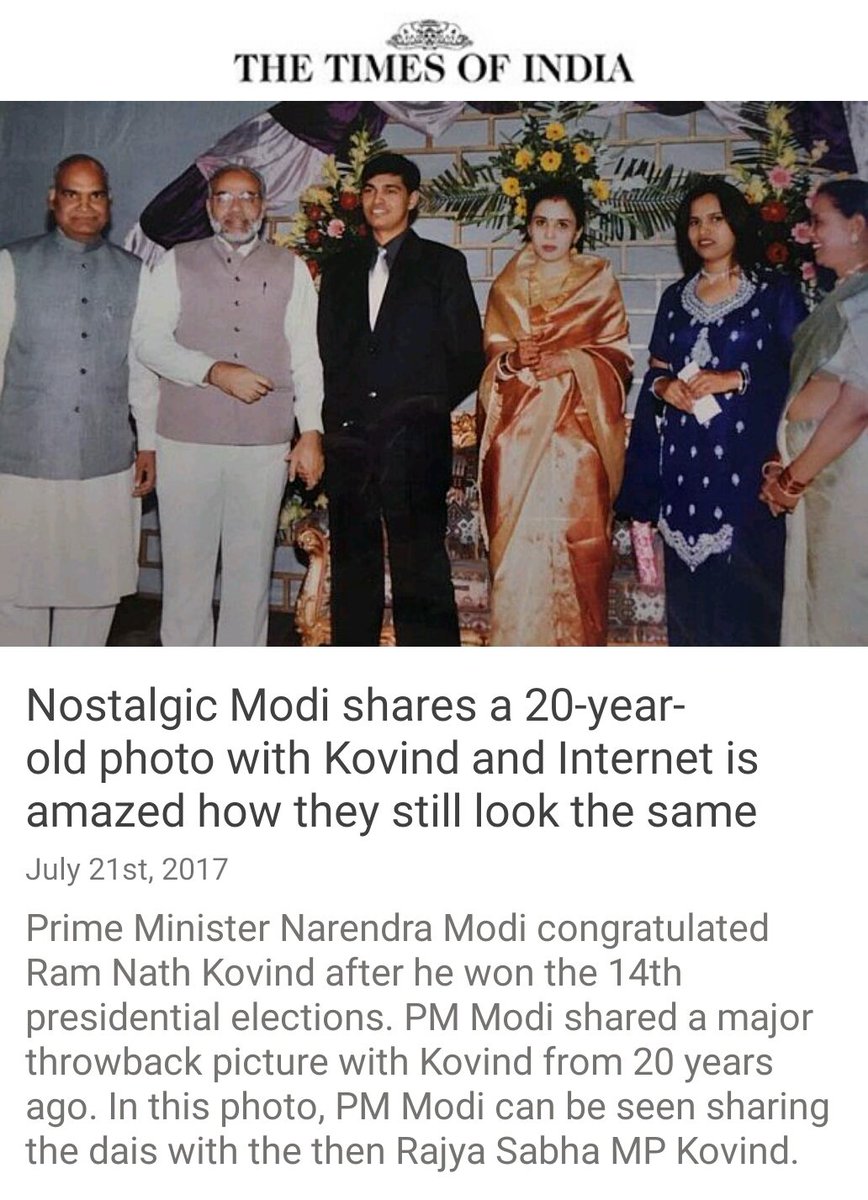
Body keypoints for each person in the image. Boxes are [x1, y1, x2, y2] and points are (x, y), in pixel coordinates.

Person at [134, 163, 323, 647]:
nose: (236, 208)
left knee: (249, 576)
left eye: (247, 196)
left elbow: (306, 357)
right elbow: (148, 344)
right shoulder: (175, 262)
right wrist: (214, 371)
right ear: (208, 206)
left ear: (264, 206)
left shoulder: (291, 268)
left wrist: (310, 432)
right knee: (186, 577)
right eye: (224, 196)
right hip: (184, 442)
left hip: (264, 446)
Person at [619, 178, 806, 646]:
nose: (704, 231)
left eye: (716, 219)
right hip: (684, 470)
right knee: (690, 611)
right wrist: (664, 387)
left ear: (736, 223)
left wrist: (736, 378)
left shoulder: (773, 292)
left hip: (746, 467)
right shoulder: (675, 298)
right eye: (694, 222)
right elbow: (656, 370)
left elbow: (805, 374)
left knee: (748, 603)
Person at [317, 152, 484, 646]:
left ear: (412, 200)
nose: (378, 200)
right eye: (369, 190)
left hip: (415, 441)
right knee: (353, 566)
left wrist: (422, 405)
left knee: (421, 567)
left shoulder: (442, 264)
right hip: (349, 442)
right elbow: (326, 349)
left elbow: (467, 353)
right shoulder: (340, 268)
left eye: (390, 190)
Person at [0, 154, 156, 646]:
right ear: (53, 199)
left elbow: (142, 369)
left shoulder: (135, 272)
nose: (84, 207)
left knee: (94, 591)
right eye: (73, 194)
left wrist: (148, 444)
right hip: (24, 461)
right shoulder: (12, 263)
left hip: (105, 461)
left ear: (109, 203)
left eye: (95, 196)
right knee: (16, 590)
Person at [478, 181, 633, 646]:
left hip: (579, 440)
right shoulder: (507, 287)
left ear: (578, 232)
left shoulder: (599, 283)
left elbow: (619, 359)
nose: (550, 234)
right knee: (519, 555)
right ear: (528, 226)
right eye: (541, 222)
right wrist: (513, 361)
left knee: (578, 549)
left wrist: (572, 360)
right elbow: (492, 364)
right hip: (519, 441)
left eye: (562, 225)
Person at [760, 178, 868, 645]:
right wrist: (783, 466)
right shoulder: (846, 296)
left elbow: (857, 405)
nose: (812, 233)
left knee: (843, 619)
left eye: (820, 221)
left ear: (857, 227)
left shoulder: (864, 300)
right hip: (824, 488)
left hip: (849, 490)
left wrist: (792, 480)